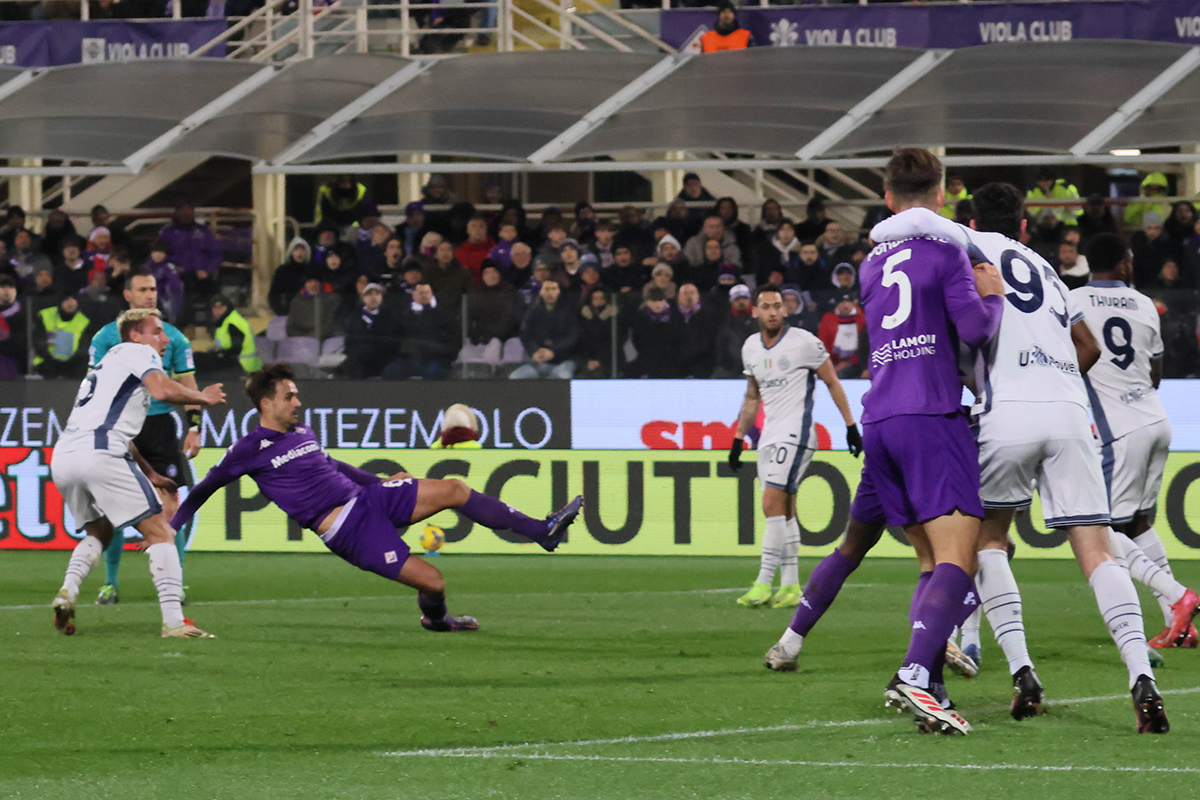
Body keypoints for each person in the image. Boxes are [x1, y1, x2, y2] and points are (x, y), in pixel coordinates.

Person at [869, 180, 1170, 733]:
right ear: (1027, 225)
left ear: (974, 222)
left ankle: (1022, 670)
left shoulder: (971, 248)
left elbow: (921, 223)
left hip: (1005, 411)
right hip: (1069, 415)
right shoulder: (1053, 273)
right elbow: (1090, 348)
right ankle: (1139, 677)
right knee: (1098, 551)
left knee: (986, 541)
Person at [170, 364, 584, 633]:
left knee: (455, 488)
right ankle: (437, 621)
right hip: (348, 530)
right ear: (266, 404)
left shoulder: (303, 433)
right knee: (433, 582)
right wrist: (168, 531)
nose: (298, 402)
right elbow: (204, 488)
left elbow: (338, 468)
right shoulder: (248, 449)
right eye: (289, 396)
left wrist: (383, 481)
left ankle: (542, 531)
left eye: (296, 394)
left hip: (369, 499)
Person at [838, 149, 1005, 735]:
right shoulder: (948, 251)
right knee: (961, 558)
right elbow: (975, 329)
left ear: (887, 198)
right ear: (941, 197)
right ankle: (914, 673)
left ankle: (927, 685)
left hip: (880, 417)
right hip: (931, 413)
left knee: (931, 561)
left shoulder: (867, 266)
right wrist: (994, 293)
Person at [50, 308, 226, 639]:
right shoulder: (137, 353)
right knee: (161, 531)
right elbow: (162, 391)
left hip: (65, 456)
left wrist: (151, 474)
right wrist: (202, 398)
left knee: (99, 531)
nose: (164, 339)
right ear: (135, 335)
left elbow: (124, 437)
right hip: (100, 454)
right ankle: (174, 622)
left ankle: (68, 591)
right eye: (157, 332)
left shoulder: (103, 369)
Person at [1075, 233, 1199, 651]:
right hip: (1157, 419)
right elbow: (1156, 373)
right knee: (1140, 523)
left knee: (1102, 529)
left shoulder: (1073, 301)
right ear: (1125, 264)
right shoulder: (1146, 304)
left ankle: (1179, 594)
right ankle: (1178, 622)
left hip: (1118, 431)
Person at [724, 282, 863, 611]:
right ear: (755, 310)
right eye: (765, 306)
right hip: (769, 434)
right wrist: (737, 438)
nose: (772, 312)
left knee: (771, 502)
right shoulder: (751, 348)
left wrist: (850, 426)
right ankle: (789, 586)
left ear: (785, 309)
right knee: (784, 509)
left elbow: (832, 381)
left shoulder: (804, 343)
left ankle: (762, 581)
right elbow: (752, 396)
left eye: (777, 306)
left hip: (798, 433)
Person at [89, 271, 202, 606]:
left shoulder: (174, 338)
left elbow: (188, 386)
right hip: (122, 428)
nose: (150, 295)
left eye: (153, 289)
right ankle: (110, 584)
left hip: (160, 427)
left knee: (170, 503)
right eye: (143, 290)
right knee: (111, 506)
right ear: (128, 295)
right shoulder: (106, 337)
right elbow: (93, 387)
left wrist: (194, 426)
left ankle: (176, 582)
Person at [382, 283, 459, 380]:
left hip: (436, 358)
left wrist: (446, 355)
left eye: (427, 292)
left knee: (433, 373)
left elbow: (454, 338)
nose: (424, 295)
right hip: (409, 358)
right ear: (413, 295)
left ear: (432, 294)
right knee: (390, 371)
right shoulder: (404, 315)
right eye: (421, 292)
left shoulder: (444, 314)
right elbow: (395, 337)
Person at [511, 280, 578, 380]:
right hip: (538, 360)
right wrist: (535, 351)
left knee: (563, 376)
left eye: (553, 289)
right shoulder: (532, 311)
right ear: (541, 292)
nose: (550, 293)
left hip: (562, 360)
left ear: (559, 292)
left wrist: (553, 351)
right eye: (547, 289)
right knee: (515, 377)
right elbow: (526, 335)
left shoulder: (569, 311)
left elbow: (572, 337)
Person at [196, 295, 262, 378]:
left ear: (227, 307)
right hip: (236, 362)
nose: (217, 311)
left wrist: (218, 354)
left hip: (242, 365)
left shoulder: (232, 323)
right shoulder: (226, 320)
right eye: (214, 307)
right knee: (198, 357)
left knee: (199, 362)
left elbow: (236, 348)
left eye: (221, 307)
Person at [33, 293, 91, 380]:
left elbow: (84, 347)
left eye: (73, 299)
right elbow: (37, 340)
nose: (70, 302)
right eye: (67, 299)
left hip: (73, 365)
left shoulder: (83, 321)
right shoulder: (45, 315)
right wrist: (45, 349)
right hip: (46, 363)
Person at [627, 287, 681, 378]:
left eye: (660, 300)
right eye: (653, 301)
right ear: (647, 302)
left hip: (671, 362)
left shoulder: (674, 316)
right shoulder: (640, 317)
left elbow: (678, 338)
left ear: (665, 302)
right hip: (648, 360)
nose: (657, 304)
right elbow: (637, 340)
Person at [817, 292, 868, 379]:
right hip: (833, 363)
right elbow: (824, 344)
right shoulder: (828, 318)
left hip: (859, 363)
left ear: (854, 302)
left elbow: (865, 347)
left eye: (848, 302)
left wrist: (851, 363)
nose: (845, 306)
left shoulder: (864, 318)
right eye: (841, 302)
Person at [675, 282, 716, 378]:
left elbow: (710, 343)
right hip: (676, 364)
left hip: (702, 363)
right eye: (685, 293)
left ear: (698, 296)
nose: (689, 296)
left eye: (692, 293)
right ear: (678, 296)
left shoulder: (709, 315)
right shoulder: (670, 315)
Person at [576, 286, 615, 379]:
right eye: (595, 298)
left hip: (608, 360)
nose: (599, 301)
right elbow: (579, 342)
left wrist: (600, 361)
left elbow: (615, 343)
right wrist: (586, 361)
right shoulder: (582, 316)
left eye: (602, 298)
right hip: (585, 360)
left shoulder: (613, 317)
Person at [454, 217, 495, 284]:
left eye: (481, 226)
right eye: (474, 226)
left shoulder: (496, 251)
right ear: (468, 230)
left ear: (486, 229)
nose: (477, 229)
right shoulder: (459, 253)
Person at [0, 275, 27, 377]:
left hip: (12, 362)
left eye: (10, 287)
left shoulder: (23, 312)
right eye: (3, 287)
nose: (7, 291)